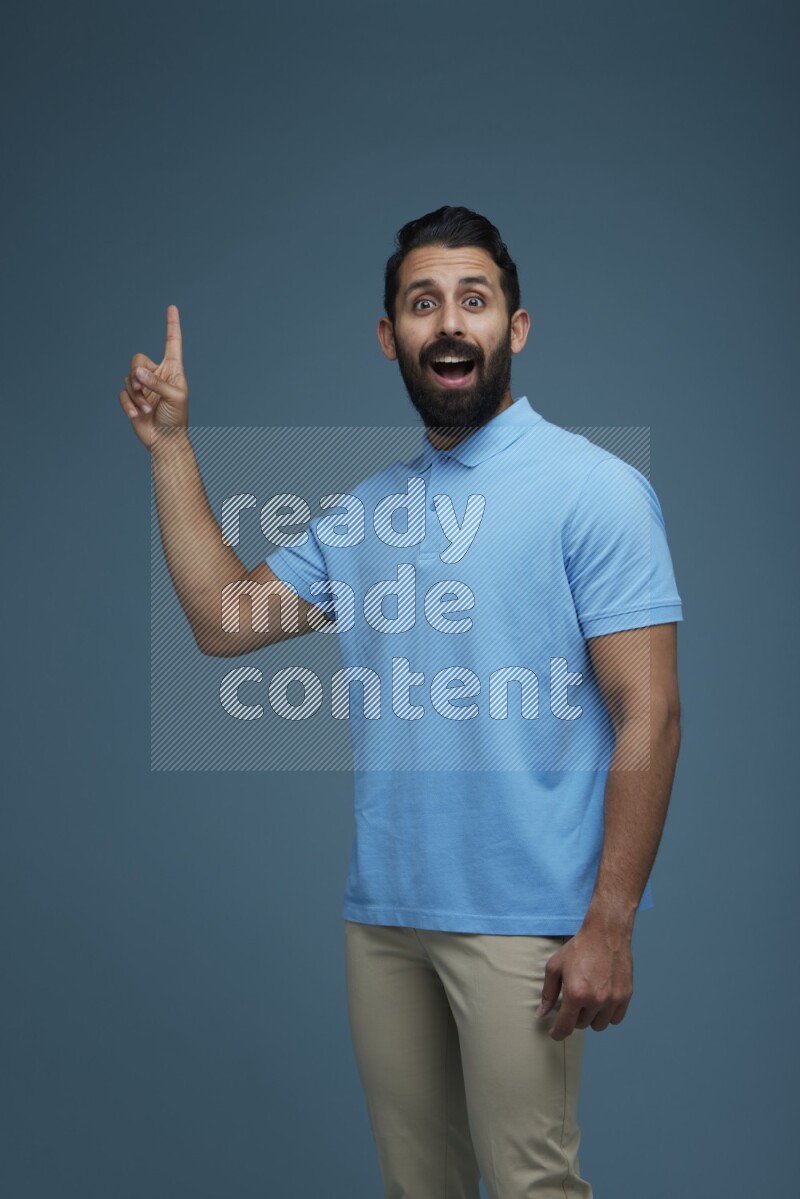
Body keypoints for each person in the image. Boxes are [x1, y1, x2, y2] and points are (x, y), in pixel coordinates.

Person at [119, 205, 683, 1198]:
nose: (449, 322)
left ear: (514, 326)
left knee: (531, 1185)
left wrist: (609, 920)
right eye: (423, 303)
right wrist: (170, 447)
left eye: (474, 299)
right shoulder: (367, 511)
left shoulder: (594, 490)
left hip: (525, 922)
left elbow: (651, 714)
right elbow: (223, 619)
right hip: (383, 918)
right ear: (390, 336)